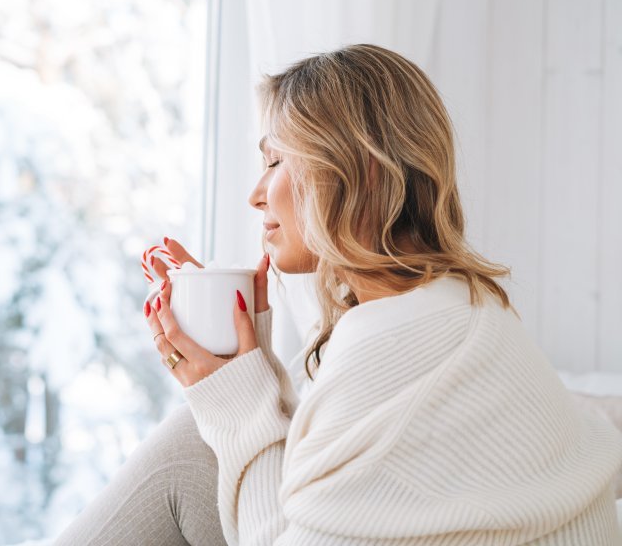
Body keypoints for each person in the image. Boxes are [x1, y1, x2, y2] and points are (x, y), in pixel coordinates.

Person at [53, 44, 622, 545]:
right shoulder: (460, 307)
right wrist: (244, 368)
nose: (256, 195)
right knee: (197, 444)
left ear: (361, 174)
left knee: (190, 448)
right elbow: (335, 477)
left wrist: (235, 395)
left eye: (275, 160)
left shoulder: (395, 351)